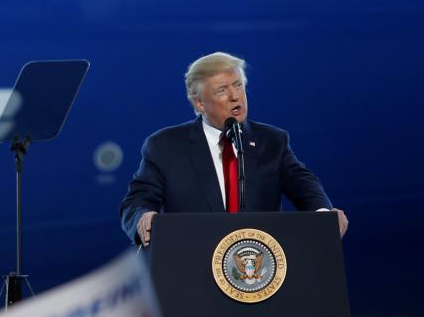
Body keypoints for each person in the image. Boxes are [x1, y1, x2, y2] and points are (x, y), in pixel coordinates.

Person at [119, 51, 348, 246]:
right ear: (199, 103)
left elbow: (303, 183)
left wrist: (324, 216)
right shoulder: (165, 146)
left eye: (238, 85)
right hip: (192, 267)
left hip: (260, 270)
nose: (235, 96)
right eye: (221, 90)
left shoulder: (272, 141)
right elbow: (137, 201)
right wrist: (143, 218)